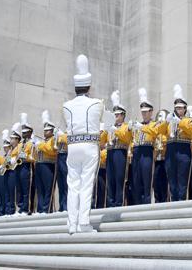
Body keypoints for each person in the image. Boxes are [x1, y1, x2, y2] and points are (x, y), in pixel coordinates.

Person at [63, 54, 103, 234]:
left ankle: (72, 223)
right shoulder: (97, 103)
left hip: (72, 147)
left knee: (73, 185)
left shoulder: (66, 105)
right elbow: (106, 122)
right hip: (89, 146)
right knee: (86, 183)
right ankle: (84, 222)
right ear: (89, 86)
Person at [161, 84, 192, 201]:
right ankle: (173, 205)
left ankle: (181, 205)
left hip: (183, 150)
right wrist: (165, 122)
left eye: (181, 108)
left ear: (185, 108)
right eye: (177, 108)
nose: (178, 110)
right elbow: (159, 132)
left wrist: (180, 122)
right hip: (170, 150)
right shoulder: (170, 120)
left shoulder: (189, 120)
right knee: (172, 181)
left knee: (182, 181)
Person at [105, 90, 132, 207]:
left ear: (123, 115)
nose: (115, 117)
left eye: (117, 115)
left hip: (120, 153)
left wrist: (115, 130)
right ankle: (110, 203)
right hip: (110, 152)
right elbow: (102, 141)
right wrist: (105, 129)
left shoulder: (126, 127)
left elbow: (127, 138)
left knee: (119, 178)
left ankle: (118, 203)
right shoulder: (110, 126)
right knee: (110, 178)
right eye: (114, 114)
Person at [34, 110, 57, 214]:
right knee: (40, 188)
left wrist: (39, 145)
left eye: (47, 130)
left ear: (52, 131)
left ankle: (46, 208)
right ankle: (40, 208)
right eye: (44, 130)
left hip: (48, 165)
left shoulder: (53, 139)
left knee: (48, 188)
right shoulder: (43, 141)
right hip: (39, 164)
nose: (45, 132)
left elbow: (51, 150)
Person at [153, 110, 169, 203]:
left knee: (165, 187)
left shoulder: (167, 129)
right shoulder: (155, 129)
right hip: (156, 161)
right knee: (156, 186)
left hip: (165, 160)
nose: (159, 120)